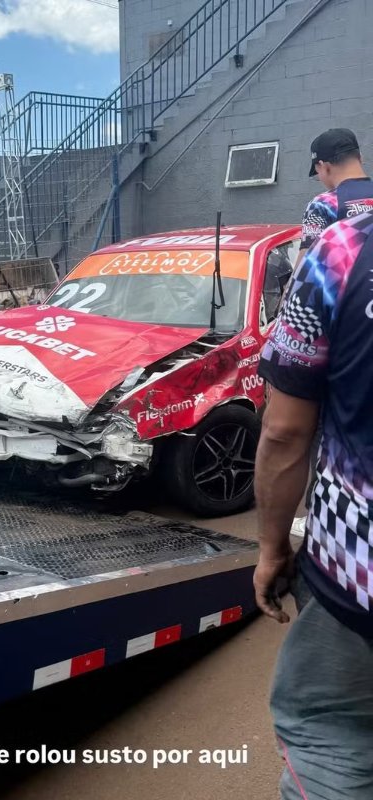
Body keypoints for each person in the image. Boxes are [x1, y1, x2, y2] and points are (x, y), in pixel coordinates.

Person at [254, 213, 373, 800]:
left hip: (356, 580)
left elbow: (284, 432)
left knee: (333, 748)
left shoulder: (345, 249)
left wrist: (273, 547)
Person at [285, 128, 373, 538]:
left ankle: (322, 513)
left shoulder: (324, 204)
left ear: (323, 165)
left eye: (317, 169)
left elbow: (306, 275)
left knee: (321, 428)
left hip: (337, 339)